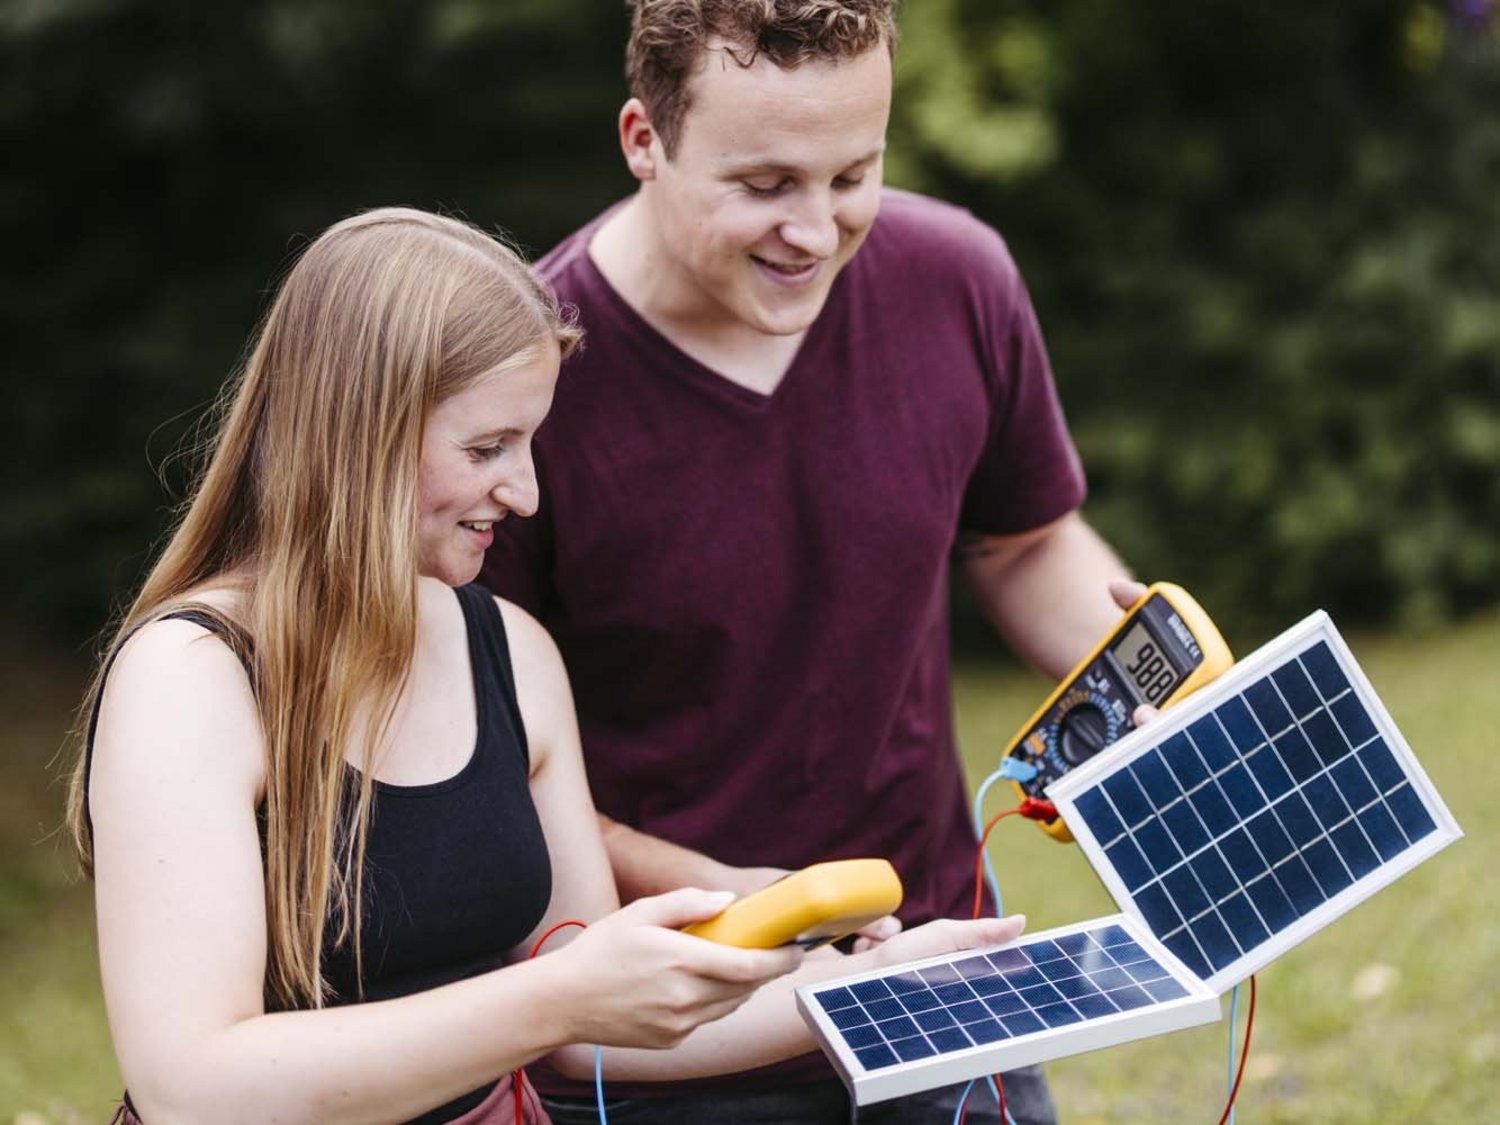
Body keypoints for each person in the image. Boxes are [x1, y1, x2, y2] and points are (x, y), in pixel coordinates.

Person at [65, 207, 1025, 1125]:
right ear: (354, 438)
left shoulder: (512, 654)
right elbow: (197, 1088)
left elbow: (601, 1033)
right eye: (486, 447)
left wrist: (866, 990)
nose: (522, 492)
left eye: (529, 444)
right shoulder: (192, 677)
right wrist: (555, 998)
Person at [479, 2, 1150, 1122]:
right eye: (764, 185)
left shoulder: (959, 279)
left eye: (853, 175)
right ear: (644, 139)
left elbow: (1024, 544)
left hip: (942, 974)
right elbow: (501, 774)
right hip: (673, 1027)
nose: (816, 229)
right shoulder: (525, 389)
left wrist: (1150, 690)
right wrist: (755, 904)